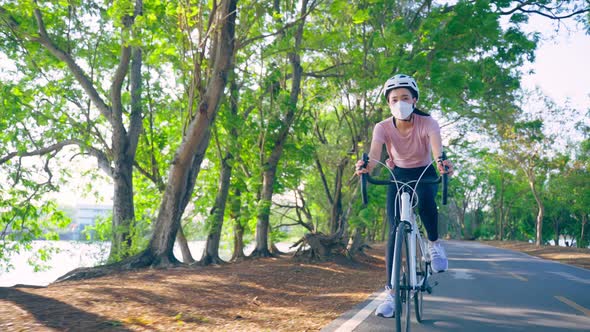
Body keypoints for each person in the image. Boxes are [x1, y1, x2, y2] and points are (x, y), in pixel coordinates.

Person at [355, 74, 454, 318]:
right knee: (394, 230)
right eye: (394, 99)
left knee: (427, 203)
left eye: (405, 98)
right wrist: (366, 167)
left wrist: (443, 164)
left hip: (423, 171)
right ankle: (390, 294)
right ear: (389, 103)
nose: (400, 102)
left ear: (414, 100)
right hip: (397, 173)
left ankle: (434, 244)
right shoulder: (382, 127)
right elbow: (375, 154)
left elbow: (437, 151)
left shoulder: (428, 122)